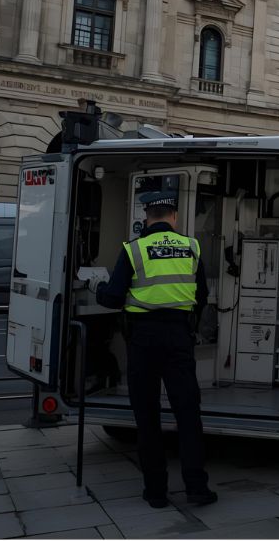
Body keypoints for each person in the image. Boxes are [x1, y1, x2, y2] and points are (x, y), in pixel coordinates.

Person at [94, 192, 216, 510]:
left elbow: (112, 299)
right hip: (179, 336)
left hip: (144, 340)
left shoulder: (134, 249)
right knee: (188, 414)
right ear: (173, 217)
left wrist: (99, 289)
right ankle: (197, 489)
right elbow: (202, 294)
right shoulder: (191, 247)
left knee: (146, 416)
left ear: (147, 218)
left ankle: (156, 492)